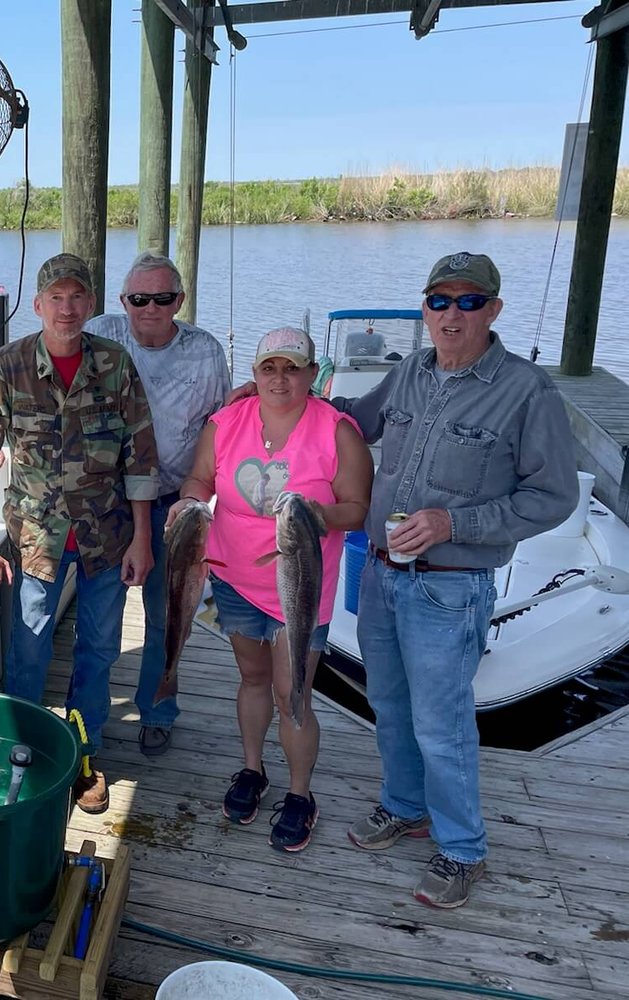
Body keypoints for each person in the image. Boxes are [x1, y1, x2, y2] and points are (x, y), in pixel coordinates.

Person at [339, 252, 578, 907]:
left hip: (447, 588)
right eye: (438, 300)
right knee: (386, 705)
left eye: (468, 301)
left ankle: (461, 848)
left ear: (492, 310)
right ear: (424, 308)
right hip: (379, 576)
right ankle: (403, 805)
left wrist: (451, 522)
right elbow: (350, 422)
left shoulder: (527, 390)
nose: (451, 313)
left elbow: (553, 497)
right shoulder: (411, 370)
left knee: (440, 726)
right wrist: (276, 393)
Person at [0, 252, 158, 814]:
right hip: (36, 540)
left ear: (91, 305)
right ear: (38, 304)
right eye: (56, 298)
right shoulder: (9, 364)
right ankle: (21, 752)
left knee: (98, 650)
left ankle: (83, 754)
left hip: (107, 537)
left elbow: (140, 457)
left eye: (77, 297)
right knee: (28, 650)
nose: (66, 309)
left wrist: (143, 540)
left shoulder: (116, 363)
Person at [168, 326, 372, 851]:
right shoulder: (226, 421)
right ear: (254, 374)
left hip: (299, 585)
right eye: (269, 368)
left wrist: (314, 514)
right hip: (235, 575)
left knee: (293, 692)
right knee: (253, 678)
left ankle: (300, 794)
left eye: (292, 367)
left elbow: (357, 508)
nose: (280, 378)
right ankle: (252, 769)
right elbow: (200, 480)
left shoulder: (337, 430)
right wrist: (189, 505)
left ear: (311, 374)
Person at [85, 252, 230, 756]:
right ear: (123, 300)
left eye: (162, 298)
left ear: (180, 301)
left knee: (167, 617)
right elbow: (42, 363)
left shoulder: (206, 351)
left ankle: (158, 708)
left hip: (175, 501)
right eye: (138, 299)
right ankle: (88, 727)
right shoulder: (100, 332)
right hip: (106, 501)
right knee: (100, 621)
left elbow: (220, 428)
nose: (149, 308)